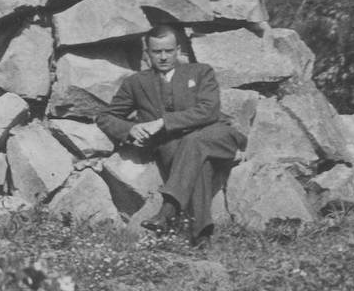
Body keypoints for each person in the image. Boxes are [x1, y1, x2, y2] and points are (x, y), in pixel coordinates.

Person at [96, 24, 246, 248]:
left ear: (178, 50)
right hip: (174, 147)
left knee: (194, 141)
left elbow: (209, 111)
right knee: (199, 162)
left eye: (168, 50)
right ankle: (202, 237)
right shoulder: (136, 83)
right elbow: (106, 117)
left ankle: (168, 208)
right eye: (157, 52)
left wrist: (163, 122)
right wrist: (130, 129)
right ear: (147, 54)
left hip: (217, 137)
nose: (164, 57)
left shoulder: (201, 72)